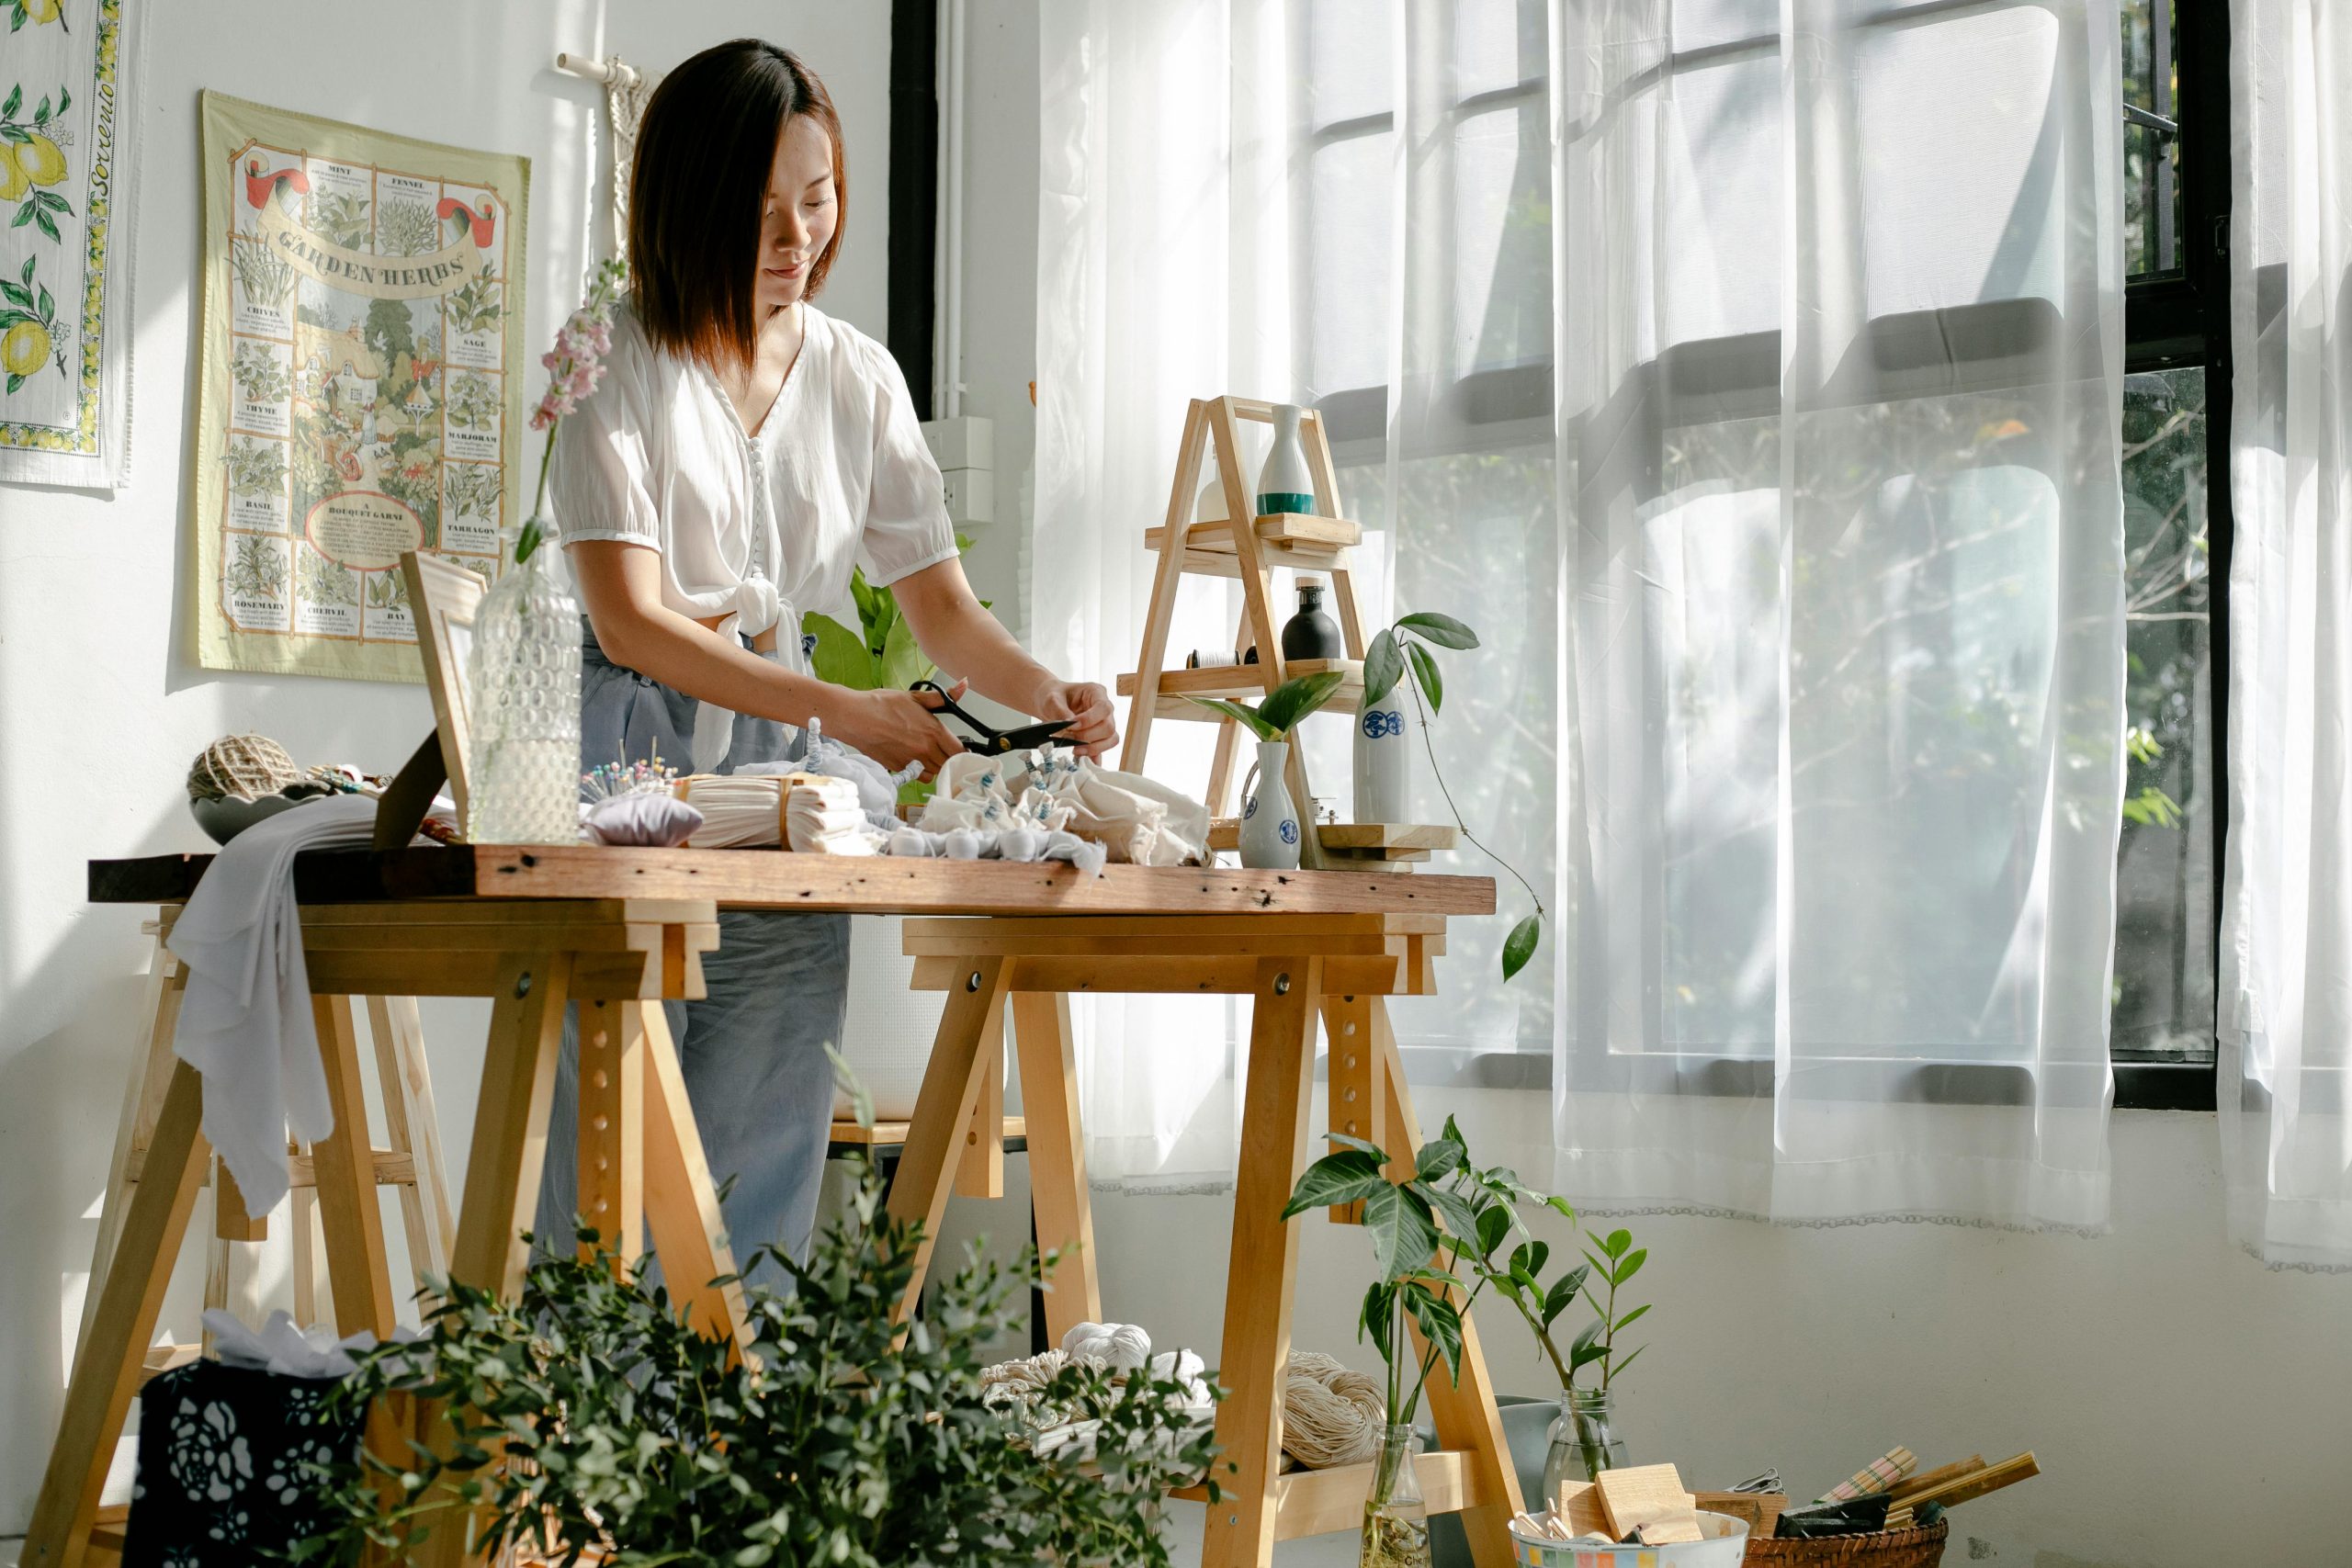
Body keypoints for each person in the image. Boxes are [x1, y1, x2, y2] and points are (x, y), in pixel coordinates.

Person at [533, 39, 1114, 1281]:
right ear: (686, 206)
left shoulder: (857, 375)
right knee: (615, 1121)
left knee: (771, 1116)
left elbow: (947, 611)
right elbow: (633, 622)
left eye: (819, 198)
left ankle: (739, 1450)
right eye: (759, 212)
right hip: (629, 770)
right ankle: (578, 1448)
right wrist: (848, 706)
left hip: (786, 776)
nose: (798, 237)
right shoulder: (613, 354)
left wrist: (1048, 694)